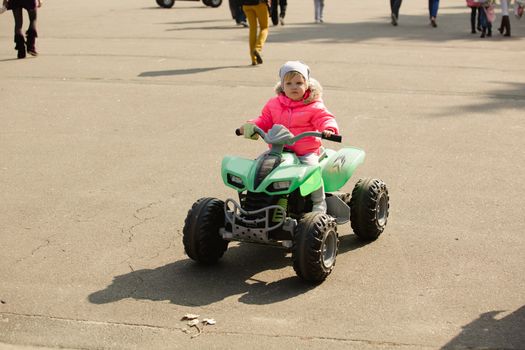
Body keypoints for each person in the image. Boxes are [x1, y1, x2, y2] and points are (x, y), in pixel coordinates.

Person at [238, 61, 339, 213]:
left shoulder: (313, 105)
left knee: (312, 169)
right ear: (282, 86)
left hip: (305, 151)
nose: (294, 87)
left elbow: (325, 118)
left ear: (307, 84)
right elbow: (264, 120)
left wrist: (329, 129)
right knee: (259, 166)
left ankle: (319, 202)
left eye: (299, 82)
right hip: (278, 150)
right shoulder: (274, 104)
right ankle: (253, 205)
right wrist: (250, 126)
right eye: (289, 83)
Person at [241, 0, 269, 65]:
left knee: (252, 29)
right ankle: (257, 48)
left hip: (246, 5)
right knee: (264, 28)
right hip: (259, 3)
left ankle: (253, 59)